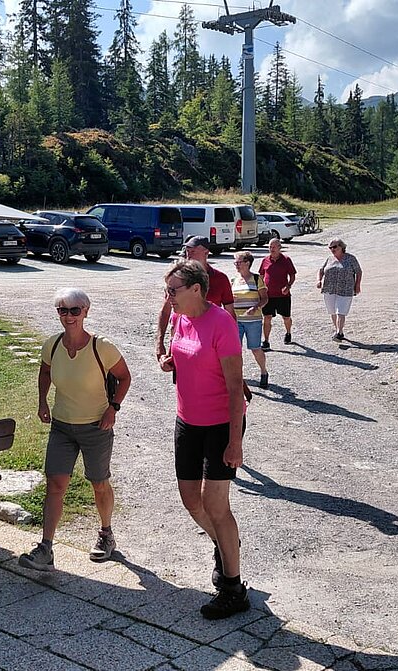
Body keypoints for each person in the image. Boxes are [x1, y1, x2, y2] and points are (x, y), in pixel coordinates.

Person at [157, 260, 250, 620]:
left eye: (173, 290)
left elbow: (234, 387)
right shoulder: (181, 317)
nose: (168, 297)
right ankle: (225, 546)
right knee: (190, 500)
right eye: (167, 290)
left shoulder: (221, 323)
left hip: (220, 424)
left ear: (196, 289)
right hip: (187, 421)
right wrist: (169, 361)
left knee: (215, 505)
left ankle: (232, 588)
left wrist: (234, 443)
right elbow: (185, 355)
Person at [19, 288, 132, 571]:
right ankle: (46, 548)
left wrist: (113, 408)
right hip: (62, 426)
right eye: (63, 310)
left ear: (86, 312)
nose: (69, 316)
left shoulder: (101, 347)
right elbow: (45, 371)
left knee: (99, 482)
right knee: (55, 484)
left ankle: (106, 533)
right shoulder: (53, 345)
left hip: (96, 426)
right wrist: (42, 401)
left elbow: (124, 377)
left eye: (74, 310)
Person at [156, 236, 234, 359]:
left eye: (193, 251)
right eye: (187, 251)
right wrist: (159, 342)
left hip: (209, 343)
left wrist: (232, 340)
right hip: (180, 340)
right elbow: (166, 310)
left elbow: (230, 312)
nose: (189, 255)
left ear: (206, 252)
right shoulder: (178, 279)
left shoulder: (220, 279)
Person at [229, 250, 269, 387]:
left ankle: (263, 372)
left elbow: (265, 298)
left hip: (253, 320)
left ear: (247, 263)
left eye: (238, 262)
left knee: (255, 348)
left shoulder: (257, 279)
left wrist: (256, 307)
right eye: (235, 263)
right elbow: (227, 300)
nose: (236, 265)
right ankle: (237, 376)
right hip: (236, 320)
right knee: (235, 350)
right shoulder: (233, 280)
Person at [317, 239, 362, 340]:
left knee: (340, 311)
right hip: (329, 289)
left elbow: (359, 272)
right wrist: (319, 280)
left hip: (345, 289)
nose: (332, 249)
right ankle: (338, 330)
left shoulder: (351, 258)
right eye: (330, 247)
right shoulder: (329, 259)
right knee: (332, 312)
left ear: (341, 247)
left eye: (335, 247)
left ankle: (339, 332)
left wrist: (357, 285)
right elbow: (321, 270)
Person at [257, 238, 296, 349]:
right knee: (267, 317)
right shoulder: (265, 260)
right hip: (268, 296)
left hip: (283, 295)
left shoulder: (286, 260)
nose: (271, 249)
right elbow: (261, 276)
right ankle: (266, 341)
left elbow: (292, 275)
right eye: (270, 247)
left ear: (279, 247)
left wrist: (288, 286)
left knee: (286, 317)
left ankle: (288, 333)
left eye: (274, 247)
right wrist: (260, 290)